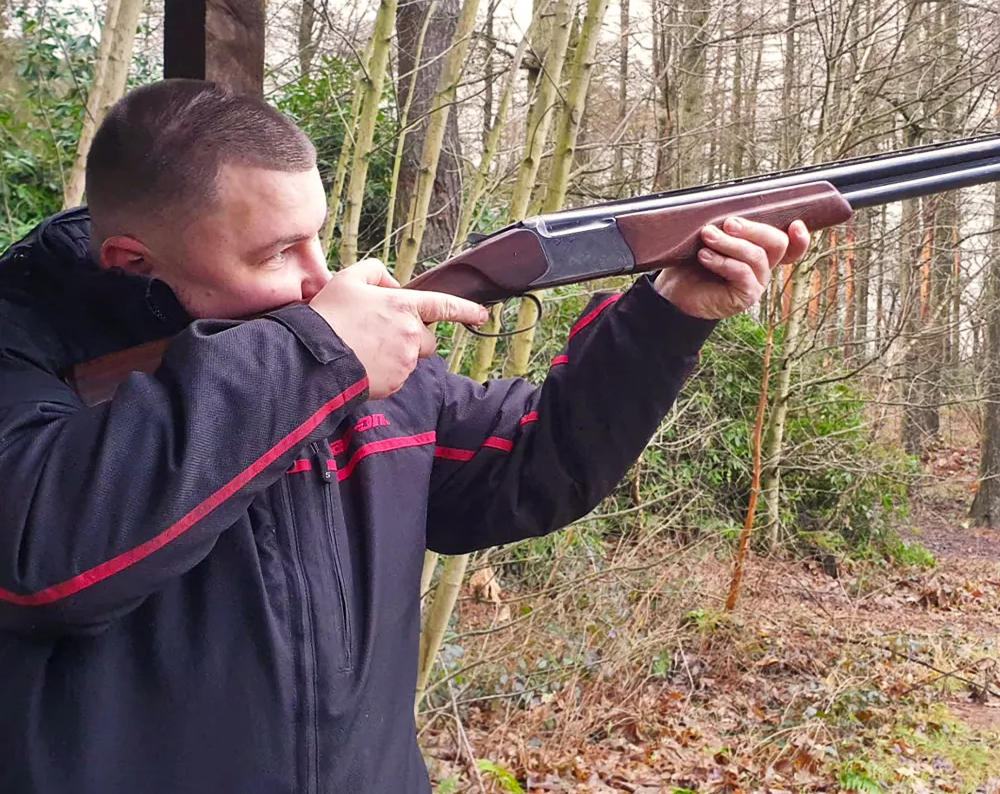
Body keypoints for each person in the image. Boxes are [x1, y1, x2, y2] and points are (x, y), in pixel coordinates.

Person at [0, 79, 810, 793]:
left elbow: (534, 466)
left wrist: (668, 312)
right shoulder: (33, 360)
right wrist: (317, 356)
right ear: (134, 261)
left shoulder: (322, 351)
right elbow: (47, 561)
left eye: (318, 235)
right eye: (280, 252)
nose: (324, 278)